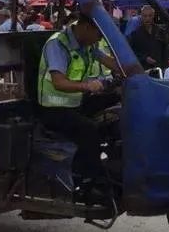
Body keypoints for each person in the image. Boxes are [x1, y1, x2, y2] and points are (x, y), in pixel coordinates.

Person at [36, 11, 119, 184]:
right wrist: (87, 86)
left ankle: (117, 163)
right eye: (98, 34)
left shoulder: (87, 44)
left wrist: (132, 69)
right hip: (53, 109)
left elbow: (110, 62)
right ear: (87, 28)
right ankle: (89, 177)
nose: (99, 39)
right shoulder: (58, 44)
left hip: (76, 102)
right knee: (90, 130)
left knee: (116, 103)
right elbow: (58, 82)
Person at [128, 4, 168, 71]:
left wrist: (165, 66)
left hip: (159, 68)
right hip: (144, 70)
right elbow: (132, 52)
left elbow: (165, 49)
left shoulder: (160, 31)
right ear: (141, 17)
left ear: (153, 16)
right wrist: (145, 58)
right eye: (145, 16)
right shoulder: (135, 34)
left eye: (150, 16)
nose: (147, 18)